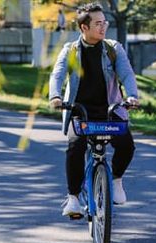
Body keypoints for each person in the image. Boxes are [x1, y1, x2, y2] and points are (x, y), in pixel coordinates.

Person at [49, 2, 139, 217]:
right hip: (79, 111)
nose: (103, 27)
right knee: (75, 146)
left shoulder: (113, 49)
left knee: (126, 145)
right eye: (98, 23)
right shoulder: (70, 50)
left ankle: (116, 180)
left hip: (110, 110)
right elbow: (58, 74)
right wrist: (55, 96)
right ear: (84, 28)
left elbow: (127, 74)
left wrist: (132, 95)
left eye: (104, 22)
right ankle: (72, 198)